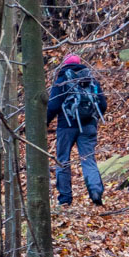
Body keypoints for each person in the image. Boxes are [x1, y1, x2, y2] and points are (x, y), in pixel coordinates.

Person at [46, 53, 107, 207]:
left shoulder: (62, 81)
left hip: (66, 126)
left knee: (62, 160)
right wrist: (92, 119)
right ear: (80, 64)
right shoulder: (91, 80)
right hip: (88, 126)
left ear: (64, 65)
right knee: (88, 159)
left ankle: (65, 198)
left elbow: (52, 106)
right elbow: (102, 104)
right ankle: (95, 193)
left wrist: (44, 123)